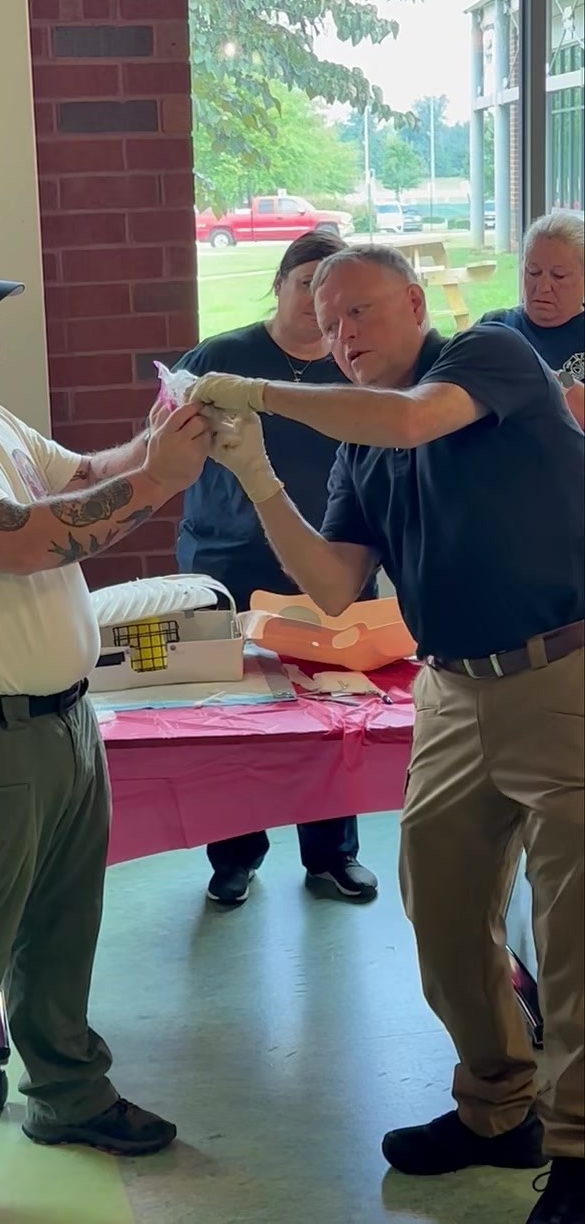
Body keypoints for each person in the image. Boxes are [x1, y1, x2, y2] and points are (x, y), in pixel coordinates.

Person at [188, 243, 584, 1224]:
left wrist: (261, 394)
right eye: (328, 324)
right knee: (443, 912)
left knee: (577, 931)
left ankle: (579, 1149)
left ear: (415, 303)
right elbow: (332, 585)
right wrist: (255, 470)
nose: (343, 338)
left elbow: (414, 420)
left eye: (361, 312)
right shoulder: (364, 449)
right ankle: (499, 1107)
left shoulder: (487, 358)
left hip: (561, 670)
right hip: (450, 691)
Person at [0, 234, 212, 1224]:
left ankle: (67, 1093)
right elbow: (22, 541)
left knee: (63, 932)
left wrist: (154, 437)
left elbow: (77, 472)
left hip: (61, 724)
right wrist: (155, 482)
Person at [176, 231, 378, 906]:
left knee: (333, 711)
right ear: (279, 284)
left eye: (337, 295)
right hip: (228, 557)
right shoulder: (224, 359)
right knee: (232, 718)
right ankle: (235, 853)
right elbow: (164, 442)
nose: (320, 306)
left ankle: (331, 854)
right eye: (307, 285)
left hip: (328, 561)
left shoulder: (357, 365)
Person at [480, 210, 584, 428]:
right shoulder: (495, 325)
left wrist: (552, 378)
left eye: (559, 275)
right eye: (533, 272)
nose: (543, 287)